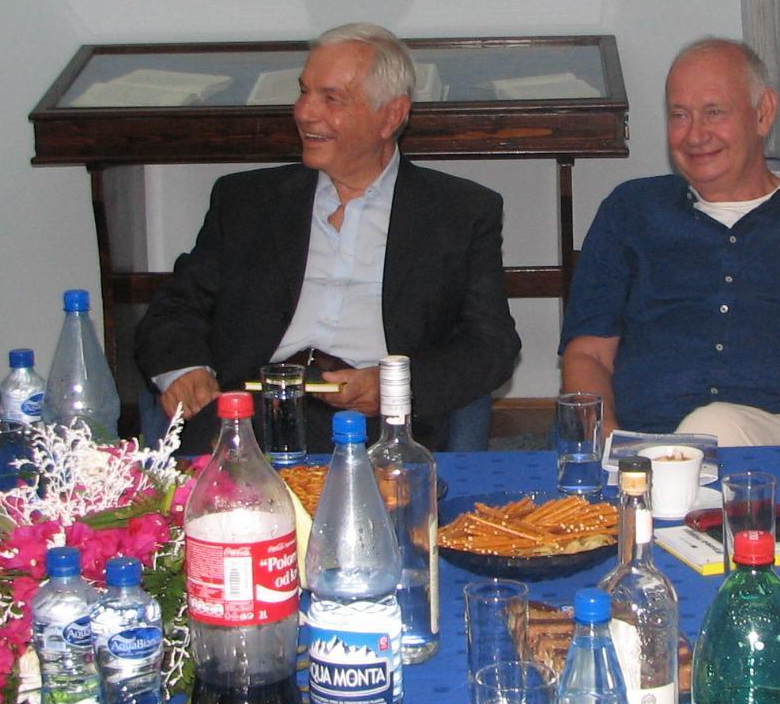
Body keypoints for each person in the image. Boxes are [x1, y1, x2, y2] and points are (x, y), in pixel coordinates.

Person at [133, 22, 520, 453]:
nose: (304, 113)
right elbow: (175, 308)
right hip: (249, 416)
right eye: (303, 92)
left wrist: (394, 386)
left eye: (330, 98)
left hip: (375, 426)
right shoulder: (246, 201)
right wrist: (184, 368)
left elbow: (491, 345)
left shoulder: (460, 212)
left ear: (391, 116)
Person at [560, 38, 780, 447]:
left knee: (717, 427)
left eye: (714, 112)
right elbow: (588, 354)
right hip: (647, 448)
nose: (695, 135)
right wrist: (607, 443)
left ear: (764, 113)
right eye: (680, 115)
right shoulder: (632, 210)